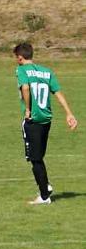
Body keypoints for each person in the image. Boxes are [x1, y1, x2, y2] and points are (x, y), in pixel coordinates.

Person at [13, 42, 78, 205]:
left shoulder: (21, 70)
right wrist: (69, 113)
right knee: (39, 156)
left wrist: (27, 109)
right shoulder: (47, 71)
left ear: (20, 57)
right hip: (46, 119)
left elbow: (25, 88)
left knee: (34, 158)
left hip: (33, 120)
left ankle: (44, 193)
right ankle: (45, 188)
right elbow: (57, 92)